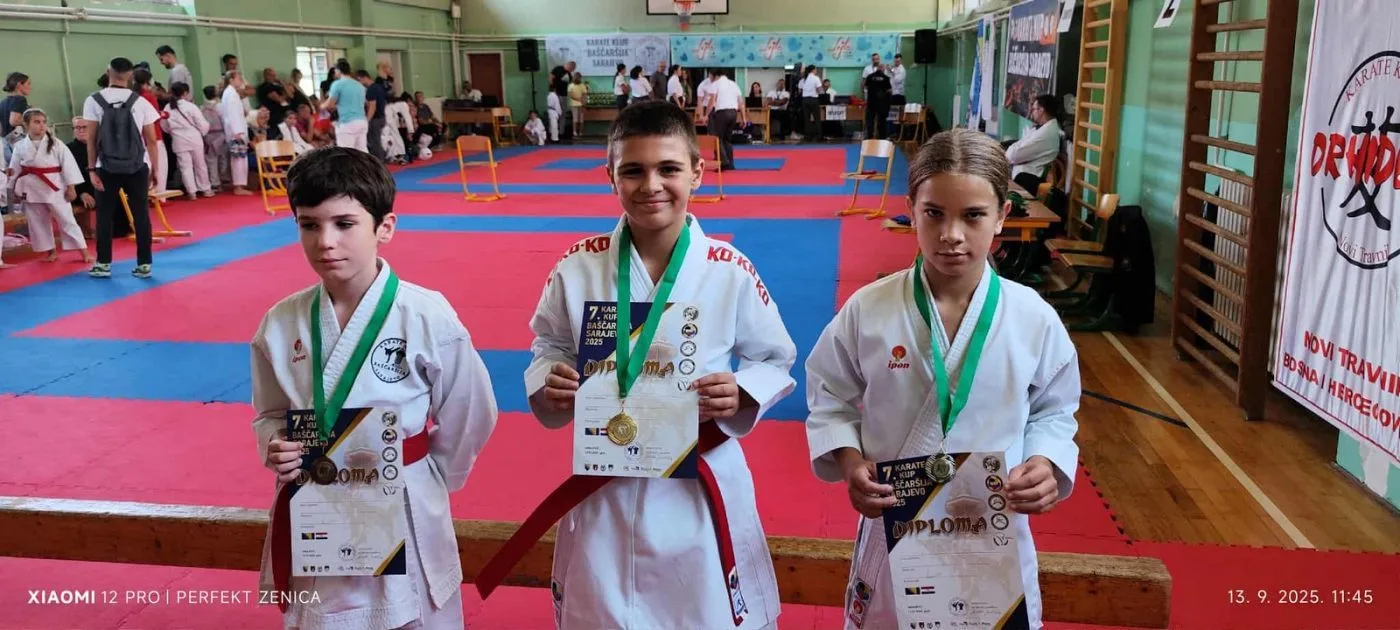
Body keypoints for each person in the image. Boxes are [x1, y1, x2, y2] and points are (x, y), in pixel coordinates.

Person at [478, 100, 798, 628]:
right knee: (605, 610)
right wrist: (550, 378)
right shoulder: (578, 265)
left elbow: (776, 358)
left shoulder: (729, 269)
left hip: (697, 478)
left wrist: (742, 391)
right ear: (610, 176)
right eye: (632, 170)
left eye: (668, 168)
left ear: (697, 171)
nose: (651, 185)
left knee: (703, 612)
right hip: (607, 473)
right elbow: (549, 343)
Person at [804, 128, 1080, 630]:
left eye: (973, 215)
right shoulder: (869, 309)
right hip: (896, 526)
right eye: (934, 213)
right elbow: (829, 396)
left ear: (1002, 215)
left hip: (991, 529)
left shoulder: (1032, 316)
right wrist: (850, 462)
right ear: (911, 209)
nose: (951, 234)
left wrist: (1045, 461)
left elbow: (1055, 410)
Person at [252, 146, 499, 630]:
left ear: (385, 227)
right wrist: (275, 445)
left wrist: (427, 475)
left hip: (402, 496)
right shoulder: (280, 323)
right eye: (309, 225)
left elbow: (472, 412)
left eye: (344, 224)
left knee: (411, 613)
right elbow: (270, 414)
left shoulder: (424, 314)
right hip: (317, 500)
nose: (326, 241)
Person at [81, 56, 162, 279]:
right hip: (137, 166)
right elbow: (151, 140)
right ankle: (144, 264)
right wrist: (155, 169)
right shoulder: (140, 102)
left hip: (106, 167)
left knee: (104, 215)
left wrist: (91, 169)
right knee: (141, 215)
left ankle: (103, 263)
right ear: (130, 76)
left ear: (108, 72)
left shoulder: (93, 100)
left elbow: (91, 139)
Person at [7, 108, 91, 264]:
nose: (41, 125)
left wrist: (71, 187)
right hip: (31, 188)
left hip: (55, 187)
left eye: (43, 122)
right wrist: (13, 189)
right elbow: (15, 169)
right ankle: (51, 252)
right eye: (36, 122)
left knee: (67, 220)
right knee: (38, 223)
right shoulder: (20, 146)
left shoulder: (56, 144)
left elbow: (69, 166)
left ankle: (84, 251)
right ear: (26, 124)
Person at [162, 83, 214, 200]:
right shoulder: (191, 106)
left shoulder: (167, 107)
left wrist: (173, 132)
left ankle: (192, 192)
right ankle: (206, 189)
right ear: (185, 93)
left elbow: (164, 126)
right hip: (194, 137)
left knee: (185, 167)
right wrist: (203, 132)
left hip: (178, 139)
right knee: (200, 165)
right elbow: (202, 123)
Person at [1005, 94, 1064, 187]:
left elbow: (1012, 155)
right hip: (1022, 171)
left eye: (1033, 109)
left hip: (1028, 179)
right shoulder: (1043, 128)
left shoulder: (1046, 133)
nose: (1031, 112)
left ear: (1041, 110)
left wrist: (1015, 155)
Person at [322, 60, 368, 153]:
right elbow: (362, 103)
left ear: (338, 70)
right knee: (362, 152)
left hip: (348, 122)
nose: (335, 73)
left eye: (335, 70)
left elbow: (330, 104)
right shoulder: (359, 85)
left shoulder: (337, 84)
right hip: (362, 121)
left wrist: (322, 106)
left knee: (345, 153)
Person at [219, 70, 252, 195]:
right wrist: (236, 132)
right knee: (239, 160)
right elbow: (232, 115)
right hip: (237, 131)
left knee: (239, 159)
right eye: (239, 78)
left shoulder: (231, 93)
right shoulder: (231, 94)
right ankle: (238, 186)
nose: (241, 80)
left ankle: (239, 185)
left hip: (236, 130)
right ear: (231, 80)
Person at [706, 69, 744, 171]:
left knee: (718, 138)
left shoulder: (716, 84)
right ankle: (730, 164)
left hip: (722, 113)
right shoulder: (734, 84)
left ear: (716, 76)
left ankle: (723, 163)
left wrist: (706, 115)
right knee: (727, 139)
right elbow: (741, 102)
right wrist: (743, 118)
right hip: (733, 113)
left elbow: (712, 101)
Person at [201, 85, 228, 191]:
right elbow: (225, 120)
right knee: (223, 158)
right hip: (220, 134)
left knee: (211, 160)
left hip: (208, 135)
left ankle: (215, 182)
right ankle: (223, 178)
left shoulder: (202, 108)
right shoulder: (220, 106)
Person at [360, 70, 389, 162]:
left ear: (364, 77)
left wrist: (367, 120)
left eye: (359, 80)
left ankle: (380, 161)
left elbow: (372, 106)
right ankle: (381, 157)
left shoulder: (371, 89)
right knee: (375, 140)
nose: (360, 83)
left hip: (375, 118)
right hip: (381, 117)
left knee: (375, 141)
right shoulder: (378, 87)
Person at [863, 64, 892, 140]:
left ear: (877, 68)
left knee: (870, 120)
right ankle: (882, 137)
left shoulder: (870, 76)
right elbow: (889, 91)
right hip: (882, 103)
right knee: (881, 120)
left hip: (871, 102)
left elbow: (865, 87)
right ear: (883, 69)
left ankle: (870, 136)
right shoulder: (886, 78)